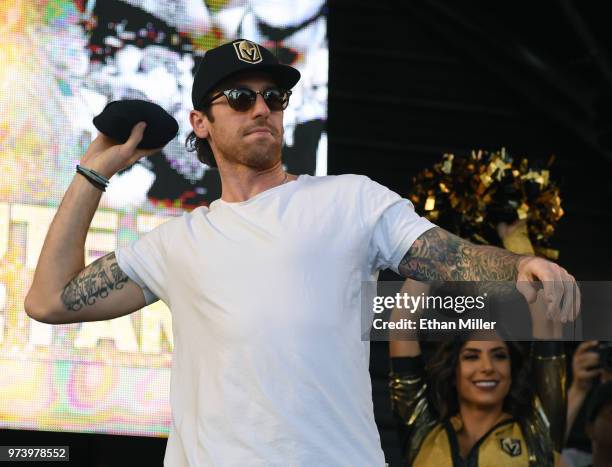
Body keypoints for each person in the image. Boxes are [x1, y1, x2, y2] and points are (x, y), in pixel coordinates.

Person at [24, 39, 579, 466]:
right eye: (240, 98)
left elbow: (445, 257)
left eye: (274, 97)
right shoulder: (176, 242)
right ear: (201, 122)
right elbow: (49, 300)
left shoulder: (350, 199)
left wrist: (518, 266)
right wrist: (95, 170)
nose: (262, 108)